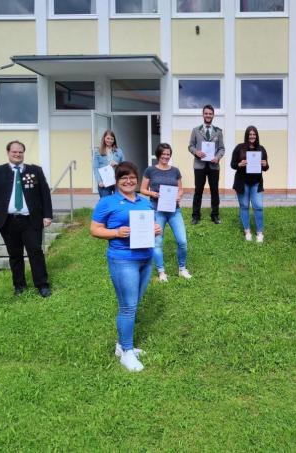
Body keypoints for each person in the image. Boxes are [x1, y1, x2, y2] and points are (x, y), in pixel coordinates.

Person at [90, 161, 162, 372]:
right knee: (128, 306)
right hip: (123, 259)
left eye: (132, 177)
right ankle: (127, 353)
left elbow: (150, 224)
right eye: (124, 178)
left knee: (133, 303)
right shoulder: (107, 202)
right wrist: (115, 233)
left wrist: (155, 228)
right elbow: (94, 229)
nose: (129, 181)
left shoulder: (145, 202)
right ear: (117, 180)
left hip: (145, 258)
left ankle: (122, 346)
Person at [0, 140, 53, 297]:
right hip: (7, 221)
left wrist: (47, 215)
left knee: (35, 252)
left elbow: (44, 194)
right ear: (8, 153)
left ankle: (42, 285)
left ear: (23, 153)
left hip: (31, 220)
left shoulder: (35, 171)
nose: (17, 154)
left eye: (20, 152)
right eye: (14, 152)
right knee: (15, 255)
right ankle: (19, 286)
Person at [139, 143, 192, 282]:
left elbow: (180, 189)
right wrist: (153, 193)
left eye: (168, 154)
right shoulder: (150, 170)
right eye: (163, 154)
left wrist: (179, 195)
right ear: (158, 155)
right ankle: (162, 272)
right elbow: (142, 189)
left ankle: (182, 268)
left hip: (174, 210)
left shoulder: (175, 171)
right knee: (157, 243)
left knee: (182, 241)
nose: (166, 157)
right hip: (157, 210)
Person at [230, 126, 270, 243]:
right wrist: (240, 164)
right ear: (247, 135)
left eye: (254, 134)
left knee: (258, 206)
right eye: (250, 134)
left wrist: (265, 164)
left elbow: (266, 167)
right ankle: (247, 230)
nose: (252, 136)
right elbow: (232, 164)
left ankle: (259, 232)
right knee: (244, 206)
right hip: (242, 182)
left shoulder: (261, 149)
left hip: (256, 183)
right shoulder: (239, 148)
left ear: (256, 136)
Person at [188, 104, 225, 225]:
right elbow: (190, 146)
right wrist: (196, 152)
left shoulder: (218, 132)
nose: (208, 115)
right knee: (198, 191)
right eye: (206, 113)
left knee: (215, 191)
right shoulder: (195, 130)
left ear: (213, 115)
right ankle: (195, 216)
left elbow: (222, 149)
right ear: (203, 114)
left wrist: (217, 157)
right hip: (199, 166)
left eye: (210, 113)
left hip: (214, 166)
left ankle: (215, 215)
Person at [92, 129, 125, 198]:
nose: (109, 140)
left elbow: (124, 166)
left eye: (111, 139)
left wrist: (117, 164)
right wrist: (99, 181)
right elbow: (95, 168)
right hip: (104, 182)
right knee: (106, 203)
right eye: (108, 138)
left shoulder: (119, 151)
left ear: (114, 140)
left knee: (118, 201)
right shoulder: (98, 152)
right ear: (104, 138)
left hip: (116, 181)